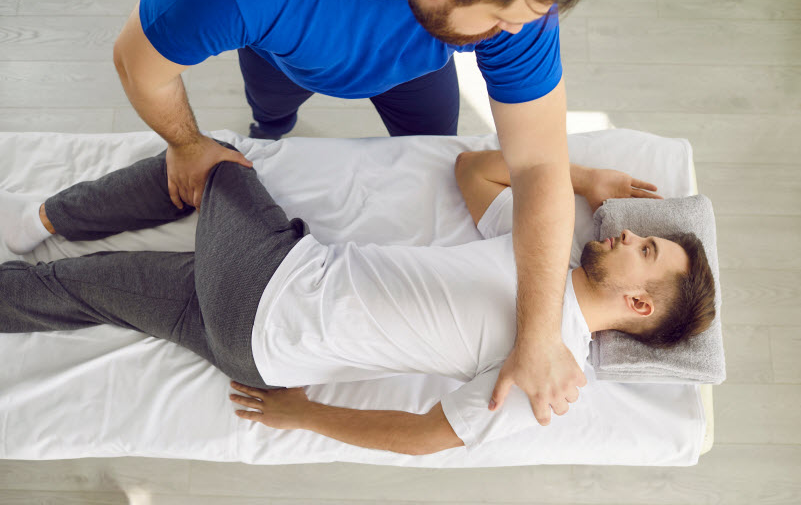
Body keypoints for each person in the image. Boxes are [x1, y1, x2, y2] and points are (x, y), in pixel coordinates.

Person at [0, 141, 716, 454]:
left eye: (644, 251)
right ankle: (39, 245)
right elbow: (474, 172)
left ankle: (41, 218)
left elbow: (431, 435)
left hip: (267, 291)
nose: (624, 235)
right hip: (252, 341)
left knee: (213, 161)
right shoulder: (542, 253)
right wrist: (579, 174)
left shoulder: (554, 374)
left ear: (640, 306)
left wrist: (307, 414)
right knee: (78, 290)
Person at [113, 0, 588, 424]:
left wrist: (541, 334)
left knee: (431, 148)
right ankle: (272, 127)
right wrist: (188, 145)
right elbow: (137, 65)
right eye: (500, 19)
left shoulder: (524, 11)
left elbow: (539, 164)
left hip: (417, 69)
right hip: (283, 59)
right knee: (272, 115)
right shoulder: (242, 1)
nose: (512, 30)